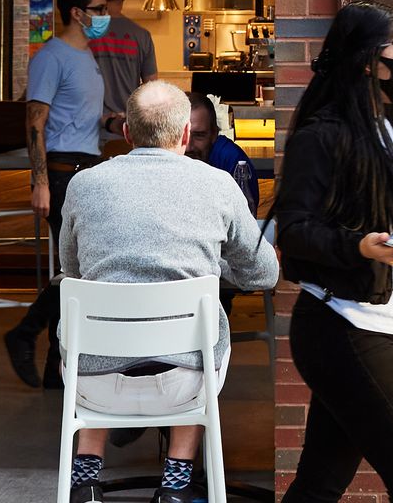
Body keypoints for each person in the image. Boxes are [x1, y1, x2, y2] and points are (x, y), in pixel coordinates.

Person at [277, 0, 393, 503]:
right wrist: (358, 247)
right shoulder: (324, 136)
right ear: (366, 59)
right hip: (340, 325)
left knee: (320, 482)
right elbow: (293, 231)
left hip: (381, 323)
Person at [57, 80, 278, 503]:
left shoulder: (83, 186)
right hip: (185, 383)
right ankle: (175, 483)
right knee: (203, 333)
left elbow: (72, 269)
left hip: (94, 381)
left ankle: (85, 477)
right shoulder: (218, 184)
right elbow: (263, 275)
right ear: (183, 135)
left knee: (94, 320)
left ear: (126, 133)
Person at [5, 0, 129, 390]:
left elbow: (80, 118)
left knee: (74, 270)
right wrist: (38, 181)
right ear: (77, 13)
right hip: (61, 173)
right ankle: (26, 333)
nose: (105, 16)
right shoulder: (52, 56)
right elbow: (34, 122)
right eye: (97, 10)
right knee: (76, 272)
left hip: (85, 168)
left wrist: (113, 121)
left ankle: (54, 366)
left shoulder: (86, 57)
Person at [90, 0, 160, 144]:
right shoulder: (141, 35)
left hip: (91, 129)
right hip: (128, 130)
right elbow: (152, 87)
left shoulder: (87, 33)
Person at [187, 92, 260, 216]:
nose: (188, 146)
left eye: (199, 136)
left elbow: (246, 219)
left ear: (214, 134)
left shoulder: (232, 160)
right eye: (181, 135)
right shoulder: (163, 157)